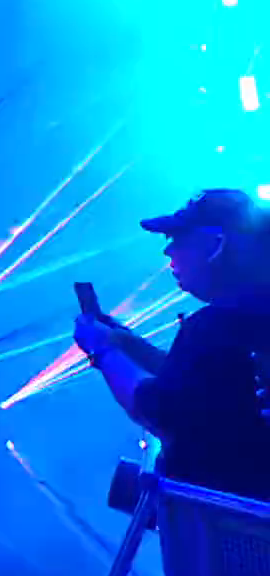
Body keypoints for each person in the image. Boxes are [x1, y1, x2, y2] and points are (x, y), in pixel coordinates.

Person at [75, 189, 270, 499]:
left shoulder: (215, 326)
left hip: (221, 521)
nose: (168, 251)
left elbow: (160, 411)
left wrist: (104, 350)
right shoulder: (250, 319)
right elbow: (206, 384)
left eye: (178, 239)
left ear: (215, 245)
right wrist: (127, 344)